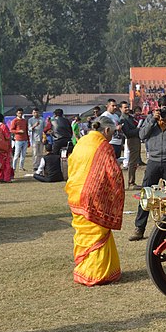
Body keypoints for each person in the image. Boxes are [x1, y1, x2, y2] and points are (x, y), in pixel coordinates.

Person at [65, 115, 125, 286]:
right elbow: (113, 174)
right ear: (106, 130)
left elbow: (71, 165)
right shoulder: (103, 146)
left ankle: (85, 269)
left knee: (84, 235)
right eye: (112, 133)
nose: (112, 136)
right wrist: (116, 192)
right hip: (93, 198)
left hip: (76, 194)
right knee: (98, 234)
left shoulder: (82, 142)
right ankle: (97, 273)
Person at [129, 94, 166, 241]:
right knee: (146, 196)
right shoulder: (150, 118)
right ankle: (139, 228)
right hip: (153, 161)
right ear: (158, 107)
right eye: (163, 109)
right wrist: (153, 121)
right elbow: (141, 135)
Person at [120, 101, 142, 188]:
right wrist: (138, 129)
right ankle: (131, 182)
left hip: (136, 139)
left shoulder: (130, 117)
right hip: (131, 140)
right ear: (120, 109)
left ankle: (132, 181)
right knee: (132, 162)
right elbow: (128, 133)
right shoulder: (123, 119)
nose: (127, 109)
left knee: (135, 162)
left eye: (128, 107)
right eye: (125, 107)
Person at [10, 107, 28, 172]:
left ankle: (21, 167)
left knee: (23, 155)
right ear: (16, 114)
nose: (20, 114)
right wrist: (18, 131)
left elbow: (26, 130)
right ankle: (14, 167)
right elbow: (11, 130)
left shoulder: (24, 121)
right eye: (19, 113)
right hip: (18, 140)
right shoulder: (14, 121)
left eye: (21, 113)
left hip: (25, 139)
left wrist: (28, 139)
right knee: (16, 154)